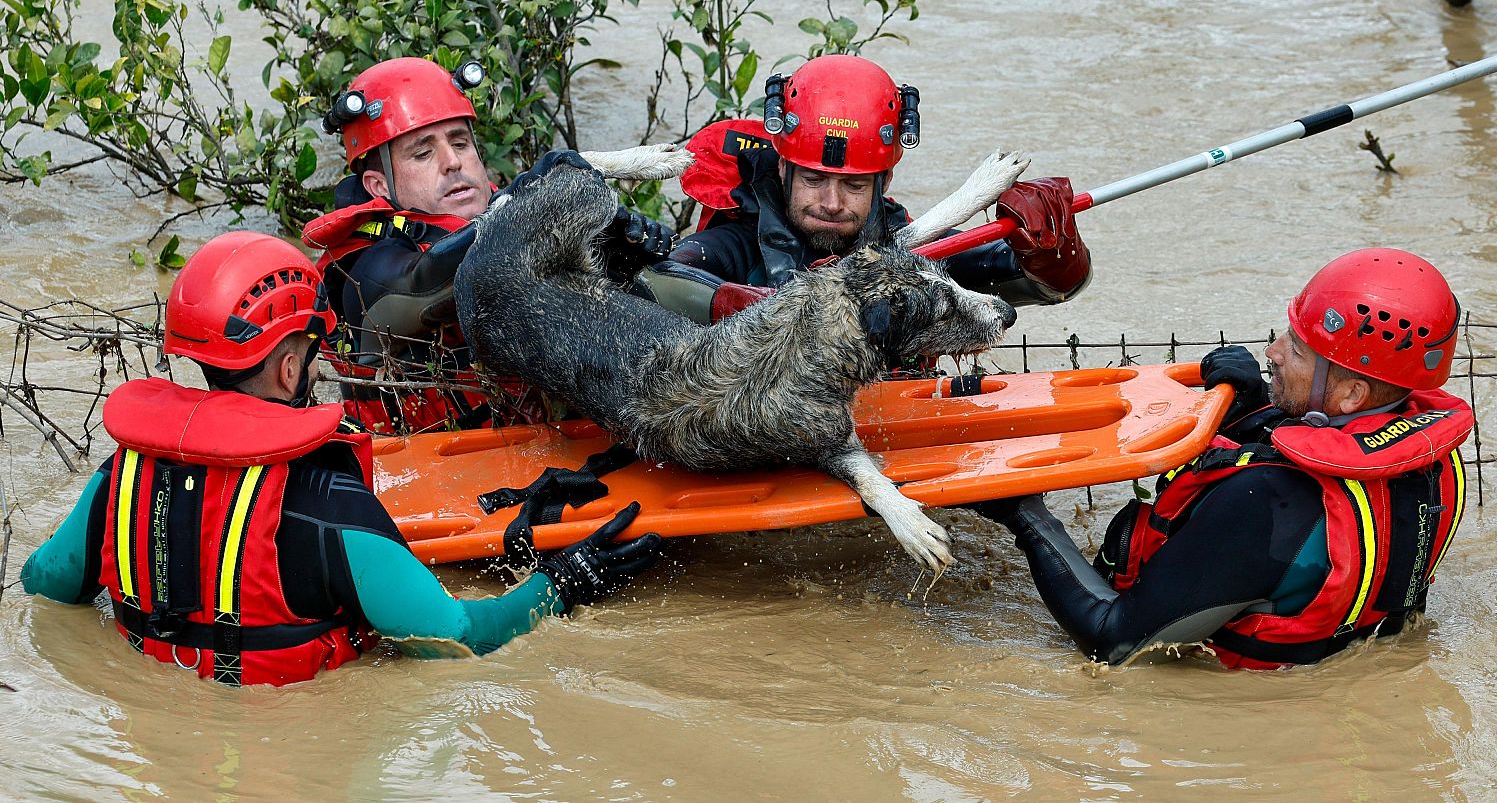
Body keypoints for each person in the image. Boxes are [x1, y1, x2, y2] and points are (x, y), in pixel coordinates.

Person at [21, 232, 663, 686]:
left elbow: (42, 586)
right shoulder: (329, 504)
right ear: (291, 364)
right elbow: (456, 640)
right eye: (312, 348)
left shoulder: (119, 478)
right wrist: (563, 584)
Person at [970, 248, 1474, 669]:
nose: (1272, 351)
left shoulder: (1265, 502)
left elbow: (1114, 642)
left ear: (1350, 396)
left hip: (1247, 699)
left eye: (1297, 351)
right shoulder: (1434, 454)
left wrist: (1026, 515)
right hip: (1348, 656)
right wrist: (1255, 407)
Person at [300, 57, 675, 433]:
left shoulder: (510, 211)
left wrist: (614, 262)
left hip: (538, 441)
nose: (452, 162)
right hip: (430, 461)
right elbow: (430, 281)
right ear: (380, 187)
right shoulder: (365, 268)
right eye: (423, 153)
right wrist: (528, 201)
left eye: (460, 143)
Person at [643, 54, 1093, 323]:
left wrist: (1052, 250)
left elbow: (1048, 287)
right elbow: (657, 279)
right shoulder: (735, 244)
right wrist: (741, 304)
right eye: (814, 180)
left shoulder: (912, 249)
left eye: (854, 185)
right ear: (784, 170)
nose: (832, 203)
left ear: (885, 181)